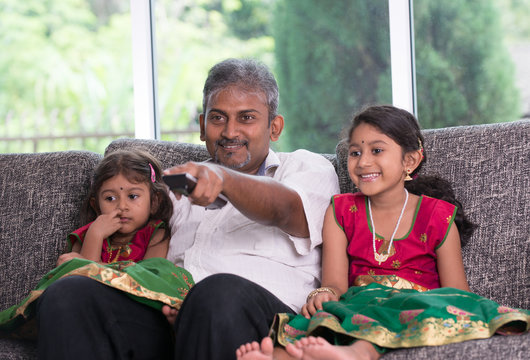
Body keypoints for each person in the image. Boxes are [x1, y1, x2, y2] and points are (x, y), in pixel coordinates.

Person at [36, 58, 340, 359]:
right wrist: (86, 265)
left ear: (275, 127)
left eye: (246, 118)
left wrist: (223, 179)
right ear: (202, 126)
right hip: (171, 319)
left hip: (261, 322)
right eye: (218, 118)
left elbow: (285, 210)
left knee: (216, 293)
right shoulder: (175, 187)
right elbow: (135, 253)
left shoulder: (307, 167)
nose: (230, 132)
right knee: (69, 295)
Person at [236, 105, 530, 360]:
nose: (363, 162)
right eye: (355, 152)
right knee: (331, 314)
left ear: (410, 161)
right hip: (361, 301)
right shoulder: (341, 211)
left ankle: (359, 352)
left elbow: (457, 294)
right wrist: (323, 294)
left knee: (427, 305)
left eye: (377, 150)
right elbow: (335, 284)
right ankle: (286, 353)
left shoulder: (438, 217)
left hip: (420, 304)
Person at [1, 149, 193, 339]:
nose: (122, 206)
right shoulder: (88, 234)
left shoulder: (155, 233)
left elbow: (150, 278)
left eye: (133, 196)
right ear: (96, 204)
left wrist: (91, 266)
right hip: (86, 308)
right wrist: (95, 234)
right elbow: (78, 282)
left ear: (154, 201)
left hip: (130, 312)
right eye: (110, 198)